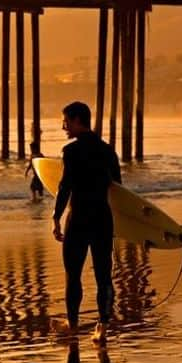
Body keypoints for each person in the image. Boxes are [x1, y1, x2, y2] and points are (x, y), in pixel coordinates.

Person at [52, 101, 122, 344]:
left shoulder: (70, 152)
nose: (64, 127)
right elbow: (118, 188)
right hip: (102, 218)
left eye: (66, 121)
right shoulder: (107, 150)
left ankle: (72, 324)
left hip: (79, 218)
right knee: (104, 276)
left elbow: (64, 187)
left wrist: (55, 217)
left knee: (74, 275)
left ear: (77, 120)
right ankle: (102, 328)